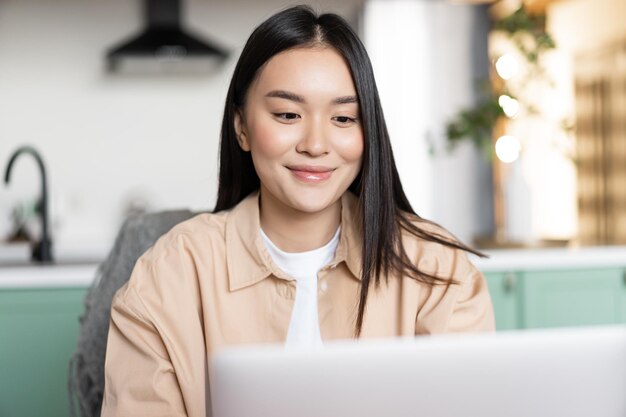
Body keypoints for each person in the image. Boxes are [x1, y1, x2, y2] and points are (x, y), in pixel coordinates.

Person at [100, 5, 495, 417]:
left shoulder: (438, 271)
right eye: (288, 114)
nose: (316, 144)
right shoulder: (171, 274)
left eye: (344, 117)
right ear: (242, 127)